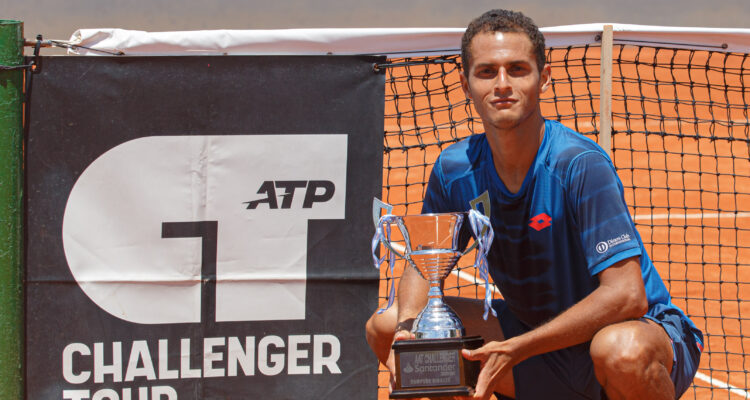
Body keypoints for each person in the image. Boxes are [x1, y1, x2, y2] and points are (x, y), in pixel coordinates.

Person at [365, 9, 703, 400]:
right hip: (530, 332)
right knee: (389, 328)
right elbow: (424, 263)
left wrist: (519, 349)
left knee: (620, 352)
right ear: (465, 83)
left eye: (518, 69)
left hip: (629, 331)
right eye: (487, 71)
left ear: (543, 78)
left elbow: (627, 295)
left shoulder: (578, 164)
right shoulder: (454, 170)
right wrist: (411, 328)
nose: (502, 84)